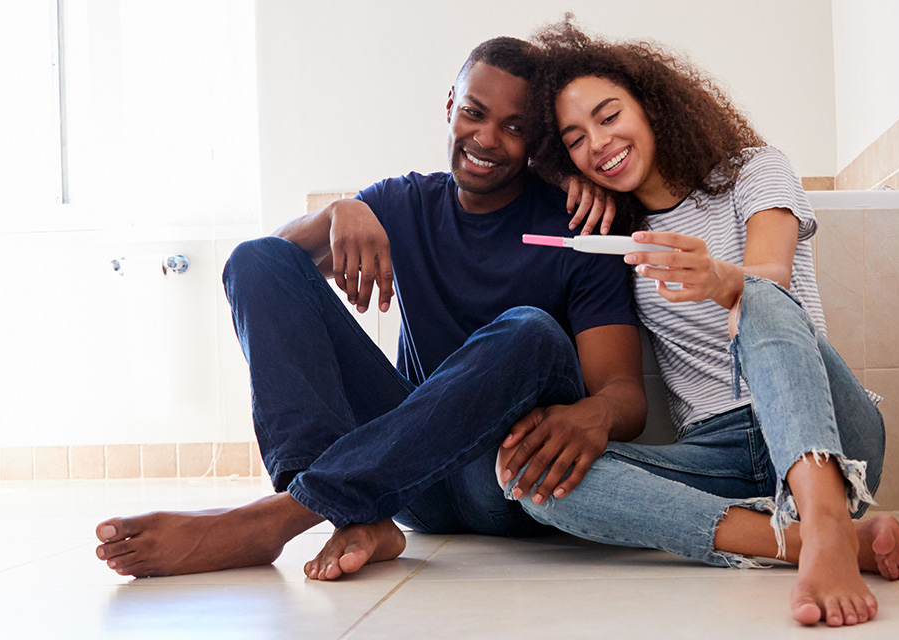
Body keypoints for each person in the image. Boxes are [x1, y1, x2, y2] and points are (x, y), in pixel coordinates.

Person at [91, 37, 647, 581]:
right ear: (451, 105)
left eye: (514, 127)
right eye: (475, 113)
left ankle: (281, 518)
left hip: (506, 480)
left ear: (537, 141)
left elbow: (624, 393)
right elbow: (265, 274)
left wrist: (594, 414)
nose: (486, 138)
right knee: (257, 256)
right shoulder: (404, 202)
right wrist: (340, 210)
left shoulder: (579, 228)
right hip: (407, 483)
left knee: (531, 331)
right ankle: (350, 514)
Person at [500, 20, 899, 627]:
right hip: (719, 451)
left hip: (826, 425)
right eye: (576, 138)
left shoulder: (755, 169)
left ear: (652, 105)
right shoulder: (616, 234)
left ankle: (825, 523)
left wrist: (722, 280)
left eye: (610, 116)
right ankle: (805, 543)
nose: (599, 142)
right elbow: (518, 175)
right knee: (531, 478)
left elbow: (771, 272)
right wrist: (564, 176)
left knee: (760, 294)